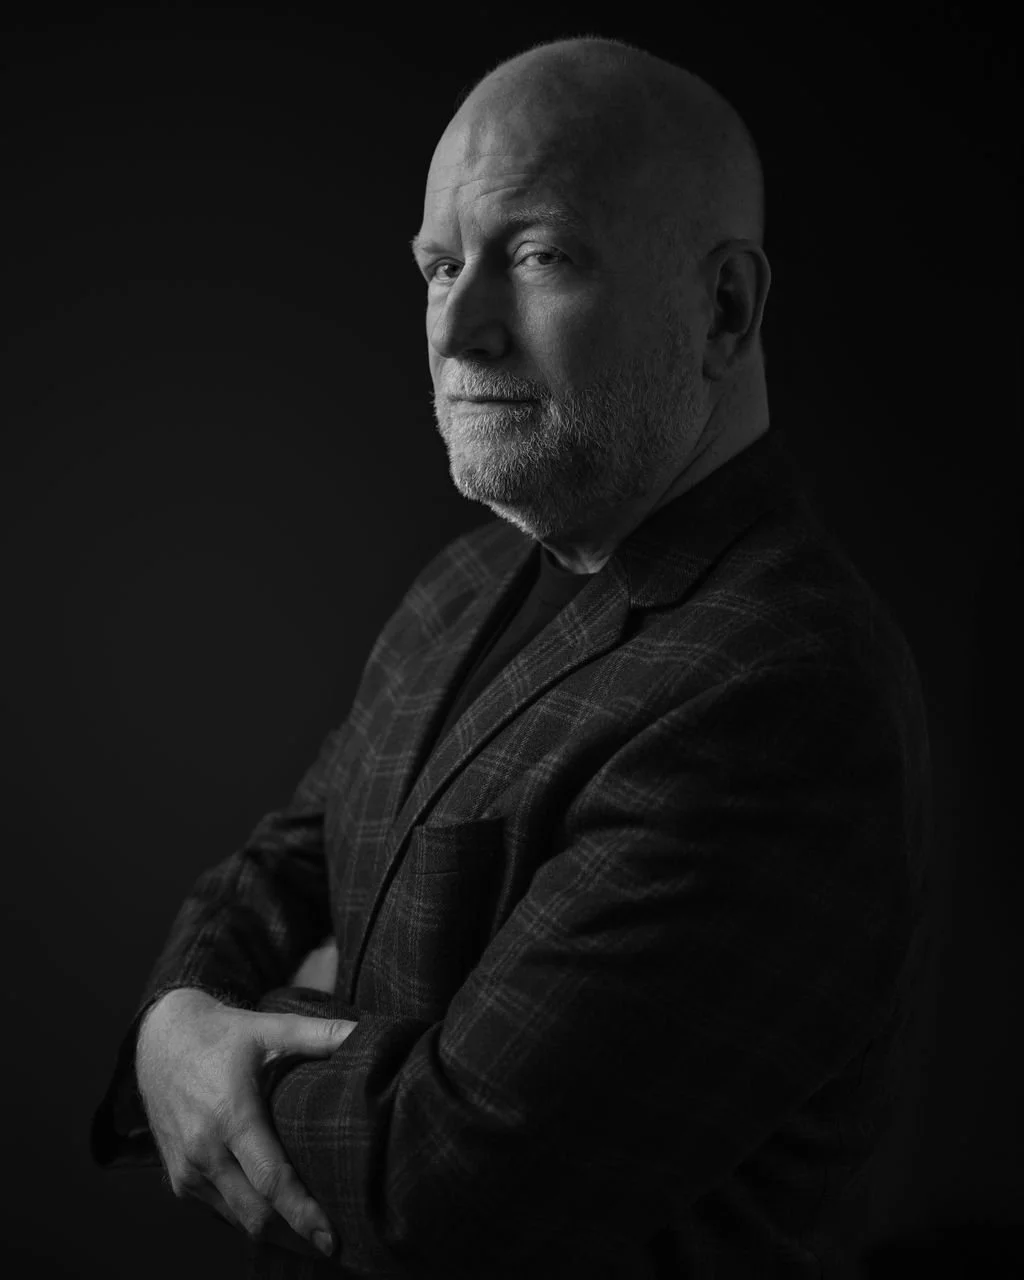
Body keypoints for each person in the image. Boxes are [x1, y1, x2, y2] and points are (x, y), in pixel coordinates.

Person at [91, 34, 932, 1280]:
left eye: (537, 255)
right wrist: (176, 1019)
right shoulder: (473, 575)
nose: (462, 328)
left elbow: (436, 1183)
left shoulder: (781, 688)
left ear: (723, 308)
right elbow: (294, 854)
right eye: (440, 266)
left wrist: (252, 1035)